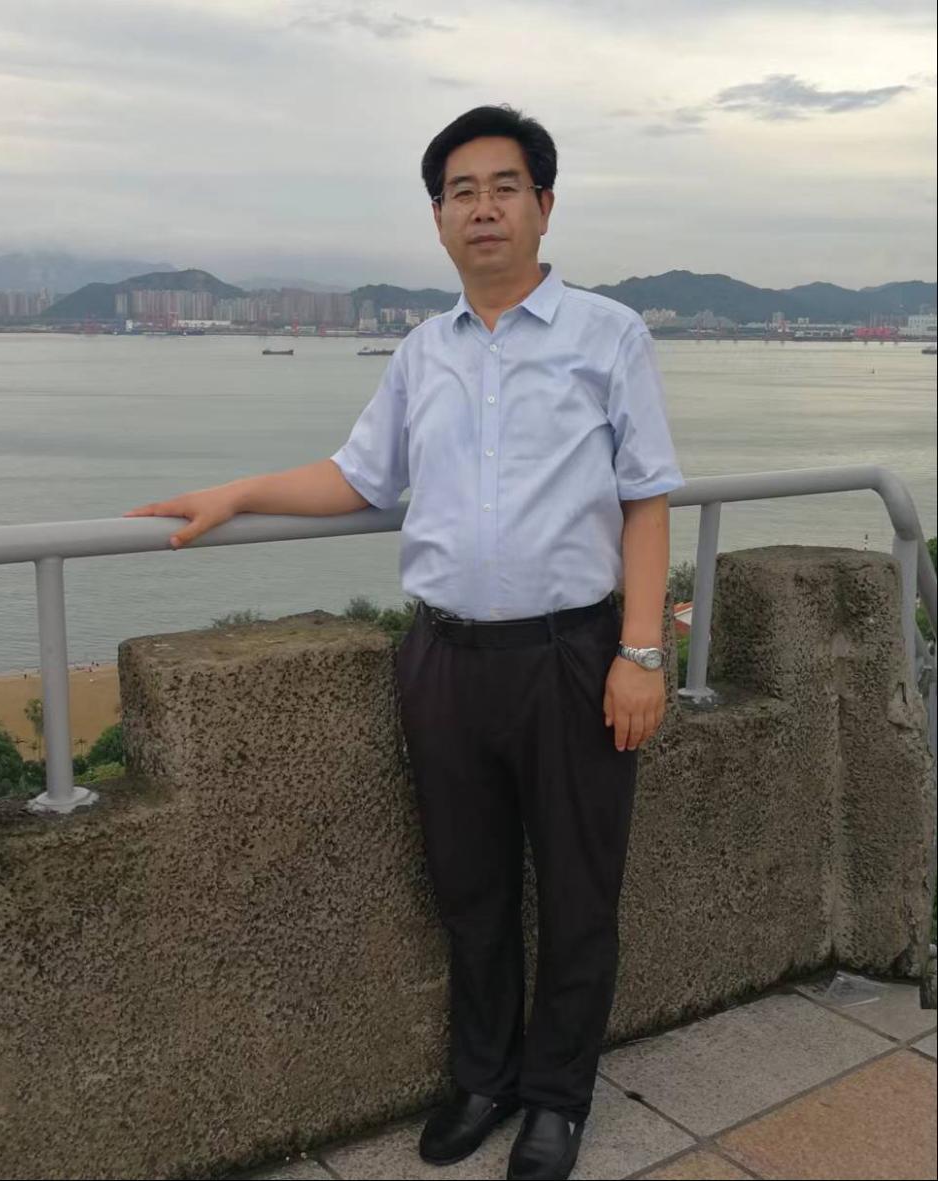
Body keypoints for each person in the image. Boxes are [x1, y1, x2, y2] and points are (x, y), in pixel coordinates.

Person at [125, 104, 684, 1181]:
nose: (483, 208)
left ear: (543, 205)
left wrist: (641, 652)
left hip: (571, 657)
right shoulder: (424, 352)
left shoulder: (608, 335)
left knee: (579, 890)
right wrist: (238, 491)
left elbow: (646, 498)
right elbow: (359, 478)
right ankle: (484, 1074)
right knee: (468, 888)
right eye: (460, 192)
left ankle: (557, 1096)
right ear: (437, 220)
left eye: (504, 187)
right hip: (442, 661)